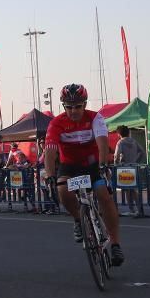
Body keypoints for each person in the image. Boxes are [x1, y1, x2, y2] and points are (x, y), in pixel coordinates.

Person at [44, 84, 125, 266]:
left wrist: (103, 164)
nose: (74, 111)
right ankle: (78, 219)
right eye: (69, 107)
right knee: (62, 190)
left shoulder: (95, 118)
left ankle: (115, 243)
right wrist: (50, 176)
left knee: (103, 194)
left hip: (93, 164)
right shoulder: (56, 123)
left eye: (78, 106)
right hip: (70, 166)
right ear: (63, 106)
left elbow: (102, 142)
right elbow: (50, 150)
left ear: (85, 104)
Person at [113, 125, 145, 215]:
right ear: (128, 132)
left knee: (128, 189)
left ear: (119, 134)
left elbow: (116, 156)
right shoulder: (134, 141)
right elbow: (142, 152)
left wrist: (116, 166)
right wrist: (136, 162)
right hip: (134, 167)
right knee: (133, 188)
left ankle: (132, 209)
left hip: (124, 168)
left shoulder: (120, 142)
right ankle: (138, 208)